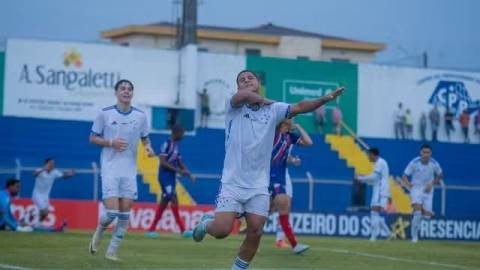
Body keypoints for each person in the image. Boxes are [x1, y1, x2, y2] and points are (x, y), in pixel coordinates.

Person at [192, 70, 344, 270]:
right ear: (238, 86)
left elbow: (299, 107)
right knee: (221, 231)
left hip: (259, 185)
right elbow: (245, 96)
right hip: (232, 182)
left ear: (258, 83)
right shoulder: (235, 105)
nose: (246, 81)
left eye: (250, 78)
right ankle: (206, 224)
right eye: (241, 80)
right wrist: (265, 100)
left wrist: (325, 99)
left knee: (255, 231)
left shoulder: (274, 110)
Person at [88, 79, 155, 261]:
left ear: (132, 93)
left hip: (129, 171)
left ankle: (111, 252)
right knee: (111, 213)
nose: (126, 91)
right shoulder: (105, 114)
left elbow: (145, 138)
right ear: (116, 92)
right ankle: (100, 230)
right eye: (123, 88)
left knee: (125, 215)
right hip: (110, 168)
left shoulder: (140, 116)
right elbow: (92, 138)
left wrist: (148, 148)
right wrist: (111, 142)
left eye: (129, 89)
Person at [269, 119, 312, 252]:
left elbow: (309, 142)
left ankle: (288, 242)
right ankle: (291, 244)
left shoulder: (290, 137)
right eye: (290, 122)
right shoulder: (272, 134)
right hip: (269, 175)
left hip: (280, 176)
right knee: (281, 205)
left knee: (279, 206)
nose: (292, 123)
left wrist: (299, 127)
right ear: (283, 123)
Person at [146, 125, 196, 238]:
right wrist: (179, 171)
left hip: (171, 177)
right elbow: (163, 162)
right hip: (164, 177)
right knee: (173, 198)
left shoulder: (176, 146)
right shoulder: (166, 144)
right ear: (176, 133)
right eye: (182, 133)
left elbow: (180, 162)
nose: (183, 136)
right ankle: (183, 230)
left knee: (165, 202)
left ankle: (151, 230)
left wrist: (189, 174)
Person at [402, 144, 443, 243]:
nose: (426, 154)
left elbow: (440, 175)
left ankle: (424, 211)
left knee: (427, 217)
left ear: (431, 153)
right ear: (420, 152)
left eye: (428, 152)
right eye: (424, 152)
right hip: (416, 189)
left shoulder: (434, 164)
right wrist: (409, 184)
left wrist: (432, 183)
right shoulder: (414, 162)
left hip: (428, 190)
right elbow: (404, 175)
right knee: (417, 213)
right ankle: (414, 238)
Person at [354, 148, 391, 241]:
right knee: (376, 214)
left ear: (372, 154)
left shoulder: (379, 163)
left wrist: (361, 178)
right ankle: (388, 234)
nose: (367, 157)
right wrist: (364, 178)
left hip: (380, 190)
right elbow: (376, 179)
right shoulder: (380, 163)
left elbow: (374, 178)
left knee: (374, 213)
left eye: (368, 155)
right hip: (380, 190)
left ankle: (373, 237)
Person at [32, 158, 75, 226]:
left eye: (53, 163)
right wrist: (44, 169)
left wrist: (70, 174)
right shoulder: (40, 170)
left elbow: (64, 176)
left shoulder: (54, 172)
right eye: (51, 163)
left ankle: (37, 222)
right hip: (37, 195)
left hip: (45, 196)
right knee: (44, 211)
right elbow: (34, 174)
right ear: (46, 164)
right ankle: (34, 214)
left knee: (46, 212)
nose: (52, 165)